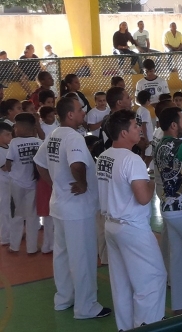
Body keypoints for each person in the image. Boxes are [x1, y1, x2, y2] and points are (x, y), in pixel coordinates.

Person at [33, 96, 110, 319]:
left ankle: (64, 298)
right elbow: (77, 164)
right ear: (70, 114)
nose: (83, 113)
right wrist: (83, 183)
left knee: (63, 255)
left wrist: (56, 184)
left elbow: (39, 163)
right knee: (82, 258)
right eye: (80, 110)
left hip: (60, 206)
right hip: (77, 210)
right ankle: (86, 307)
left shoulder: (54, 135)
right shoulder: (73, 138)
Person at [96, 109, 166, 330]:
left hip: (111, 225)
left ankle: (126, 327)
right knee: (152, 280)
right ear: (124, 133)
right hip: (132, 228)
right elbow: (143, 197)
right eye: (135, 126)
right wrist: (154, 181)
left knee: (122, 284)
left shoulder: (104, 156)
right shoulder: (132, 159)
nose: (140, 129)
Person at [153, 106, 182, 315]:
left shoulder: (159, 145)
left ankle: (181, 305)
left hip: (167, 207)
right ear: (174, 125)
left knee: (178, 255)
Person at [4, 113, 43, 254]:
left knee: (16, 215)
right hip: (33, 183)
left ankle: (14, 246)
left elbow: (8, 163)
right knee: (33, 216)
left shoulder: (14, 143)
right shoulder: (39, 143)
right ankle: (32, 248)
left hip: (16, 184)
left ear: (19, 127)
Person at [135, 90, 154, 168]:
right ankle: (143, 172)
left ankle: (141, 171)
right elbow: (144, 125)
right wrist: (146, 138)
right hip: (147, 137)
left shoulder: (139, 109)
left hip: (141, 136)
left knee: (143, 155)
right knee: (149, 156)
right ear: (147, 100)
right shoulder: (145, 111)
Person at [0, 122, 11, 245]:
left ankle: (11, 232)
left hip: (11, 182)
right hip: (3, 183)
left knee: (11, 209)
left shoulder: (9, 147)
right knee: (5, 210)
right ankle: (4, 237)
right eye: (7, 135)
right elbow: (5, 167)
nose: (10, 137)